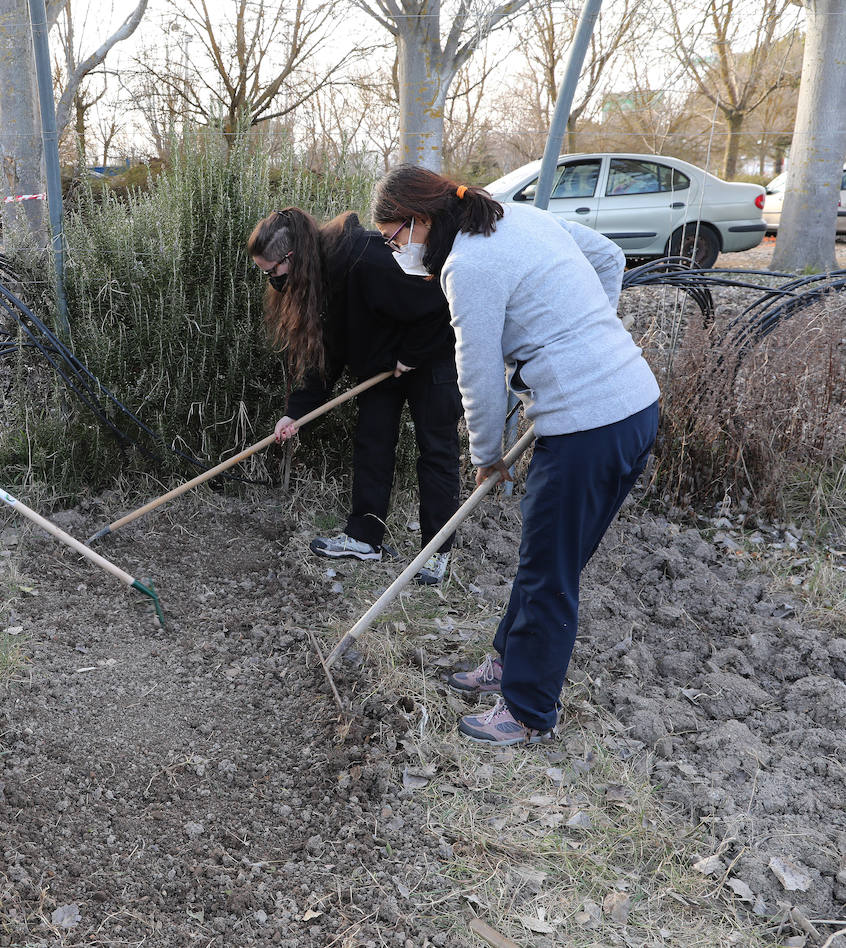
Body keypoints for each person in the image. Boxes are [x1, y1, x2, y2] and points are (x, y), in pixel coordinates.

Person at [370, 166, 660, 747]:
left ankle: (528, 711)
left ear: (420, 220)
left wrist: (486, 453)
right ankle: (508, 660)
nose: (396, 249)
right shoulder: (520, 217)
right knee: (549, 555)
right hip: (634, 404)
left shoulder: (467, 267)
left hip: (590, 423)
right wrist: (586, 331)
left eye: (394, 237)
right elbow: (609, 259)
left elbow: (475, 372)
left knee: (548, 568)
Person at [248, 207, 464, 584]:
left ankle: (436, 552)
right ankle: (364, 537)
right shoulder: (317, 280)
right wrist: (295, 413)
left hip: (430, 356)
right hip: (382, 366)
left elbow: (439, 305)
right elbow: (324, 354)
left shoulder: (366, 260)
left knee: (436, 452)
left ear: (292, 257)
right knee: (372, 443)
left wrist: (410, 356)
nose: (271, 281)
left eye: (272, 272)